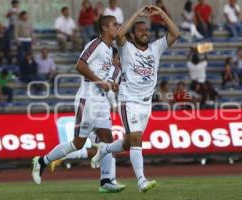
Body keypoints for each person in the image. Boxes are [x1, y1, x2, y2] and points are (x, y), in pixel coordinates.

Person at [90, 5, 179, 192]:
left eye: (146, 30)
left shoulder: (156, 48)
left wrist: (161, 13)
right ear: (133, 34)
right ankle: (141, 181)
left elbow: (175, 33)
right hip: (129, 101)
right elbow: (120, 34)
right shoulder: (126, 48)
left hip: (146, 105)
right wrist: (137, 14)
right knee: (137, 139)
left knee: (127, 142)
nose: (145, 33)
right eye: (140, 31)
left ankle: (104, 150)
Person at [32, 15, 125, 193]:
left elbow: (106, 78)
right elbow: (80, 65)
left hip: (101, 102)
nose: (118, 27)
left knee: (107, 138)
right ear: (105, 28)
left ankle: (106, 180)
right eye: (115, 25)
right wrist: (100, 81)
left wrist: (110, 84)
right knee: (78, 144)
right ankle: (42, 161)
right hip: (87, 99)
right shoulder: (95, 45)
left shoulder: (108, 50)